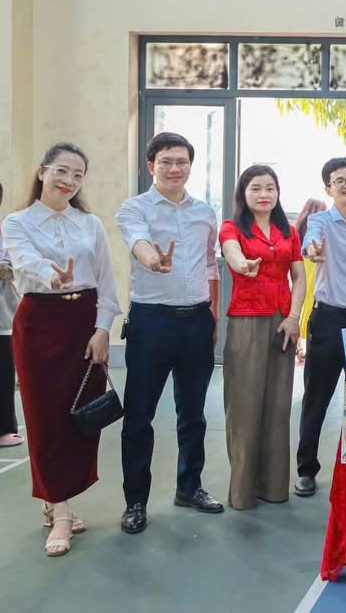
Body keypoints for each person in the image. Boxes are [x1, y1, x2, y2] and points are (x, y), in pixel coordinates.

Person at [3, 143, 120, 556]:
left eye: (78, 174)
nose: (69, 180)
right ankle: (62, 511)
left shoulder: (89, 224)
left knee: (80, 417)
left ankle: (56, 499)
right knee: (43, 417)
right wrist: (51, 276)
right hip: (39, 322)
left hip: (84, 323)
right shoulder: (16, 222)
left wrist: (103, 329)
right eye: (61, 171)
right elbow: (23, 261)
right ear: (42, 172)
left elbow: (107, 282)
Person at [116, 132, 223, 536]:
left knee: (193, 413)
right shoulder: (134, 208)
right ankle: (135, 501)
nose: (174, 168)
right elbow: (137, 242)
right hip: (151, 322)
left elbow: (210, 265)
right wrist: (153, 260)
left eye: (181, 161)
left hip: (196, 321)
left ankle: (189, 486)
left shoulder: (204, 212)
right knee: (139, 416)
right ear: (151, 166)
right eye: (166, 161)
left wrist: (211, 314)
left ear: (190, 166)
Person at [219, 165, 306, 509]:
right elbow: (232, 252)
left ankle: (273, 487)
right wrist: (242, 264)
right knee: (244, 406)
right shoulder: (232, 227)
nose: (264, 194)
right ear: (244, 193)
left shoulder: (288, 231)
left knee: (278, 406)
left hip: (283, 323)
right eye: (256, 188)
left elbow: (299, 276)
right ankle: (242, 492)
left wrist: (294, 318)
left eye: (270, 187)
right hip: (247, 321)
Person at [295, 158, 346, 497]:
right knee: (317, 397)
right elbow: (310, 244)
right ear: (328, 189)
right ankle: (306, 470)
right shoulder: (320, 222)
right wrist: (312, 251)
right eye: (339, 180)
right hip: (328, 321)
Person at [0, 181, 22, 448]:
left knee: (4, 373)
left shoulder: (7, 231)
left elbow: (10, 268)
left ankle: (5, 428)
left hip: (3, 318)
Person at [294, 198, 327, 356]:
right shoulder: (319, 225)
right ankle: (304, 338)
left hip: (302, 264)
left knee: (302, 301)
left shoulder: (299, 225)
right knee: (311, 301)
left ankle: (299, 343)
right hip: (314, 265)